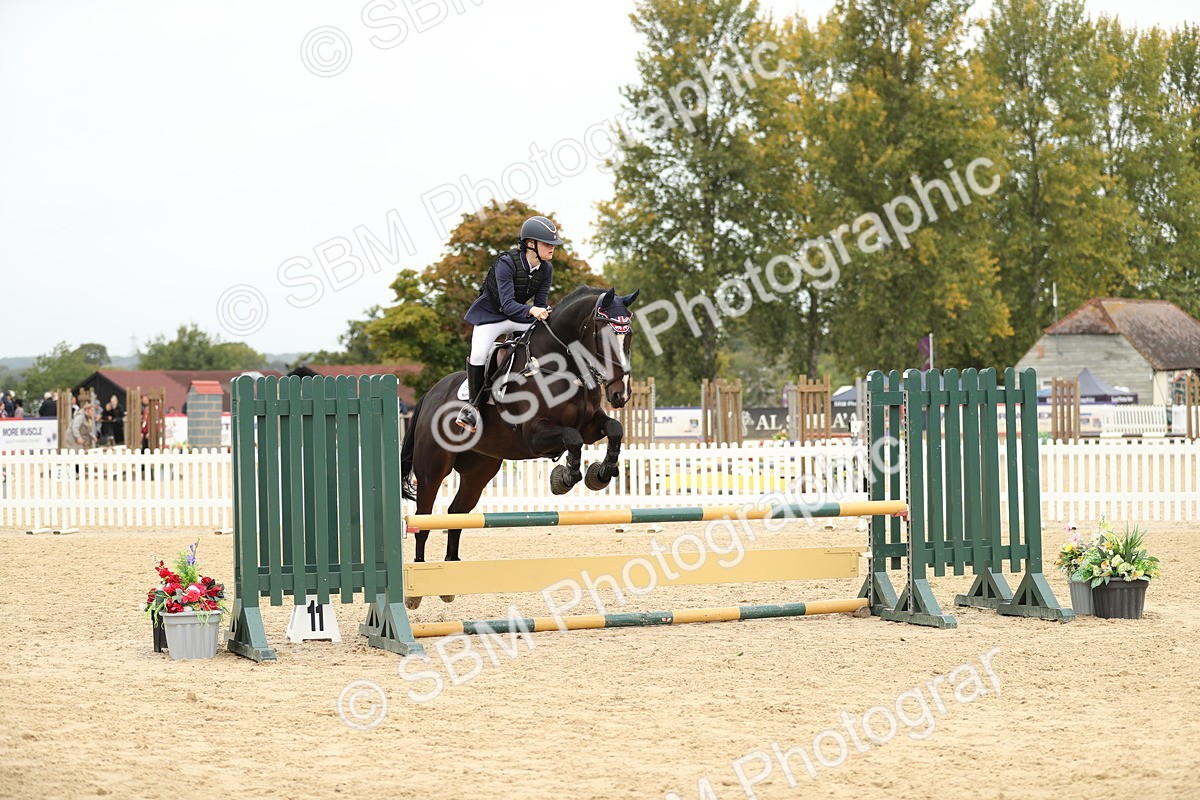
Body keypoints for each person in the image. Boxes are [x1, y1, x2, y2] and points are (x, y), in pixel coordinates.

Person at [456, 215, 562, 431]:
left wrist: (543, 312)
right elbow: (507, 305)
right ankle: (472, 408)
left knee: (547, 333)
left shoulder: (546, 269)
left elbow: (540, 303)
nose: (552, 248)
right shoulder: (506, 263)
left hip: (518, 317)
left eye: (553, 244)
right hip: (491, 317)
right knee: (478, 354)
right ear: (530, 244)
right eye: (546, 244)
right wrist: (532, 309)